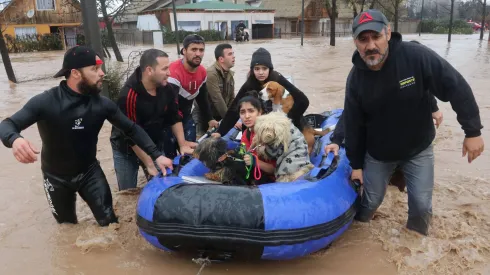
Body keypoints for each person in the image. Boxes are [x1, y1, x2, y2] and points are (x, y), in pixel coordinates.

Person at [343, 9, 484, 235]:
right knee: (369, 203)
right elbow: (353, 123)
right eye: (363, 39)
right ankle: (361, 237)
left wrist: (472, 131)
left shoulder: (416, 57)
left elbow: (454, 85)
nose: (370, 45)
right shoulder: (355, 79)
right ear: (356, 42)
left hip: (417, 148)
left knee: (420, 206)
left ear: (388, 33)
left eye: (376, 36)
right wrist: (356, 165)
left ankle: (415, 245)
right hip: (378, 154)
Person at [0, 46, 173, 226]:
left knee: (110, 224)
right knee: (66, 228)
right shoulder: (46, 102)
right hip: (55, 178)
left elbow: (131, 129)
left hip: (90, 173)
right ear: (75, 73)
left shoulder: (103, 105)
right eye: (95, 69)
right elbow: (7, 125)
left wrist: (157, 155)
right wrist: (15, 140)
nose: (102, 73)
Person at [110, 49, 194, 191]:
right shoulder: (129, 95)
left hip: (154, 145)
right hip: (127, 149)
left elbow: (174, 116)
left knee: (162, 186)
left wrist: (182, 143)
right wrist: (149, 163)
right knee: (128, 192)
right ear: (149, 70)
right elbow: (130, 134)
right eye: (165, 68)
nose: (169, 73)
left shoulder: (167, 87)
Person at [213, 47, 309, 138]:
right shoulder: (249, 84)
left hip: (280, 123)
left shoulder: (277, 79)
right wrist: (220, 132)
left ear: (269, 69)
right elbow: (234, 109)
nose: (261, 72)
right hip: (258, 124)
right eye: (257, 69)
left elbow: (303, 101)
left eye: (264, 68)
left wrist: (288, 118)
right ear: (252, 70)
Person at [166, 34, 219, 157]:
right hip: (168, 121)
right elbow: (172, 110)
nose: (198, 54)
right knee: (171, 157)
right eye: (193, 49)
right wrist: (181, 142)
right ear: (184, 51)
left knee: (191, 154)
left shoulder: (202, 72)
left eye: (201, 50)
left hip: (186, 116)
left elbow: (202, 99)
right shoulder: (173, 72)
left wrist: (210, 118)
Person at [192, 43, 235, 138]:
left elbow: (232, 99)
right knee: (198, 144)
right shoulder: (211, 73)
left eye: (233, 53)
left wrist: (236, 116)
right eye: (230, 54)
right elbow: (217, 99)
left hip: (219, 116)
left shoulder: (230, 75)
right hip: (203, 116)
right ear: (221, 59)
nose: (233, 56)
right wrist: (230, 120)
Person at [239, 95, 276, 183]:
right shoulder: (246, 134)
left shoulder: (270, 133)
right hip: (257, 175)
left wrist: (255, 161)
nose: (246, 116)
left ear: (260, 113)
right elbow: (244, 156)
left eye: (251, 111)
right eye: (242, 112)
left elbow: (274, 169)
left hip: (274, 182)